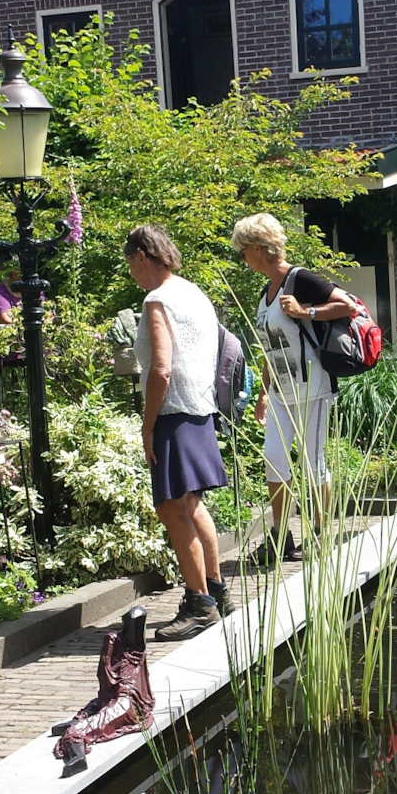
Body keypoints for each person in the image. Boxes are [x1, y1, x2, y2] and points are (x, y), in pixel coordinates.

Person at [123, 225, 233, 640]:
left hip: (172, 415)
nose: (131, 272)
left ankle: (200, 604)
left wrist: (148, 425)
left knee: (171, 510)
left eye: (130, 263)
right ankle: (216, 591)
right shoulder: (194, 293)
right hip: (201, 411)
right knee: (191, 505)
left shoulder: (157, 299)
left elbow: (162, 369)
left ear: (141, 256)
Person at [231, 213, 358, 565]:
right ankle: (280, 536)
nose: (243, 258)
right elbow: (270, 347)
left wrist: (306, 311)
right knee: (275, 458)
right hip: (280, 392)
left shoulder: (299, 278)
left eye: (243, 251)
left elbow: (347, 305)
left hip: (312, 386)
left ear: (258, 249)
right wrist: (263, 393)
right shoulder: (266, 293)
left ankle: (319, 535)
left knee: (313, 462)